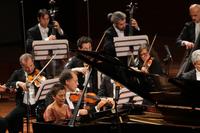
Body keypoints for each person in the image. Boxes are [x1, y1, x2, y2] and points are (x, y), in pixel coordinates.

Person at [0, 53, 46, 133]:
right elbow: (8, 84)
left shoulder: (41, 74)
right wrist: (18, 83)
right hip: (23, 105)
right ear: (22, 65)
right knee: (8, 120)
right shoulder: (18, 73)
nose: (30, 69)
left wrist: (43, 82)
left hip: (38, 106)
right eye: (26, 67)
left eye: (31, 65)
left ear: (33, 62)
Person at [26, 8, 65, 78]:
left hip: (52, 55)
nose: (46, 21)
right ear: (38, 19)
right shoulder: (32, 31)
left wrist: (59, 28)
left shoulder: (51, 28)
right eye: (44, 19)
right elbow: (29, 45)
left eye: (48, 19)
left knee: (64, 63)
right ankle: (51, 80)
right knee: (51, 62)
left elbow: (62, 36)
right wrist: (47, 39)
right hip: (39, 57)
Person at [176, 4, 200, 76]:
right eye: (191, 15)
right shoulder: (189, 25)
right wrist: (185, 42)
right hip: (192, 56)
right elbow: (178, 41)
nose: (193, 18)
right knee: (181, 75)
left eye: (195, 15)